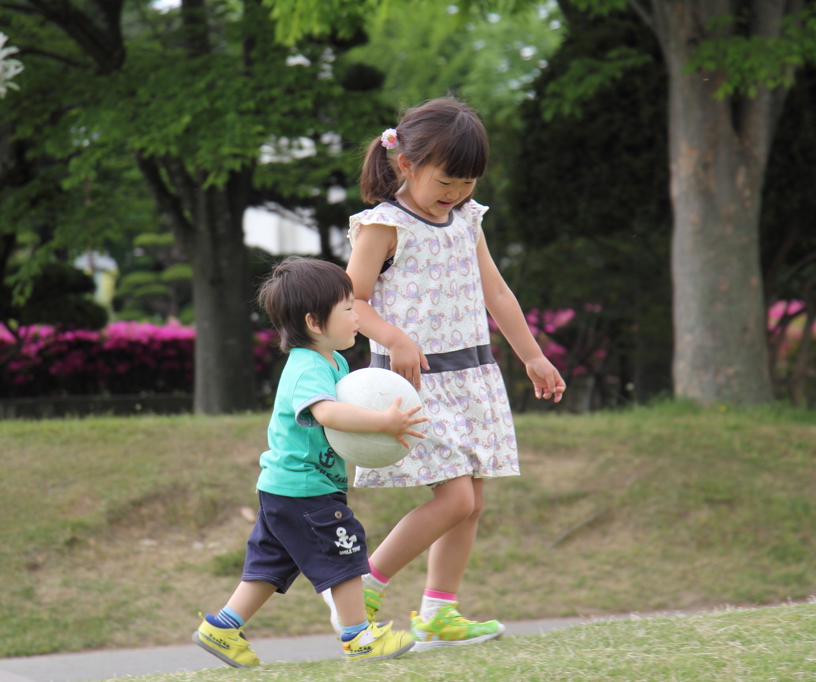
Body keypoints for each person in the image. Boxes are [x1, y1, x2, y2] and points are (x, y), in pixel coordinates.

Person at [333, 97, 567, 651]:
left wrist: (532, 355)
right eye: (446, 179)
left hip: (472, 377)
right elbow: (352, 301)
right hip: (412, 384)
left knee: (473, 500)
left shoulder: (468, 219)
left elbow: (498, 293)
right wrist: (394, 338)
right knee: (456, 499)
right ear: (405, 163)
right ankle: (363, 584)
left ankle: (439, 612)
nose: (456, 191)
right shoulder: (383, 225)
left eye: (467, 181)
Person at [193, 256, 427, 667]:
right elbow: (329, 415)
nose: (358, 316)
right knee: (346, 550)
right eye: (349, 309)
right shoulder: (306, 368)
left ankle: (223, 628)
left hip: (285, 487)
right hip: (305, 488)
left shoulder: (332, 362)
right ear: (315, 323)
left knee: (269, 566)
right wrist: (383, 422)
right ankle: (359, 638)